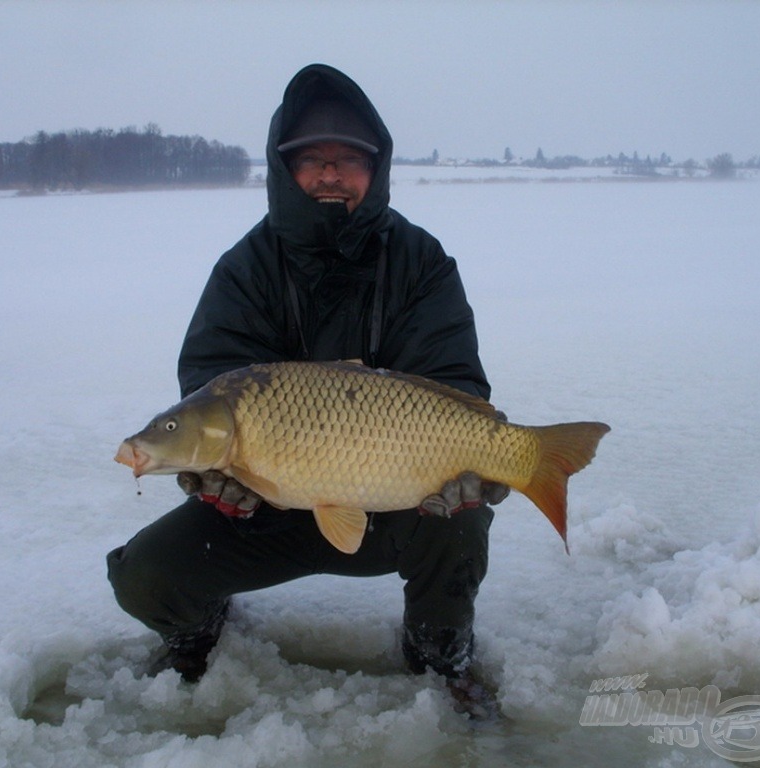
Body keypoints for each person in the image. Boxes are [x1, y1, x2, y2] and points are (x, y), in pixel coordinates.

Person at [107, 63, 509, 719]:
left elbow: (451, 382)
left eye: (348, 160)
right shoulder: (247, 269)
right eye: (312, 160)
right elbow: (210, 381)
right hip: (263, 506)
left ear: (374, 170)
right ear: (284, 170)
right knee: (144, 574)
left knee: (459, 518)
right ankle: (197, 631)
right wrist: (215, 477)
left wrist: (473, 461)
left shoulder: (420, 262)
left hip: (391, 498)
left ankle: (441, 655)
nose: (330, 174)